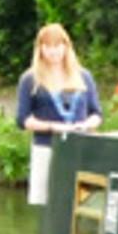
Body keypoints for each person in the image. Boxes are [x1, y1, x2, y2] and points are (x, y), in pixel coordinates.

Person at [15, 23, 103, 205]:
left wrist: (85, 125)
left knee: (82, 201)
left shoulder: (84, 76)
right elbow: (23, 119)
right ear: (40, 49)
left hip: (80, 147)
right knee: (44, 200)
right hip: (46, 147)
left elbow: (97, 114)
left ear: (66, 47)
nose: (53, 52)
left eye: (57, 46)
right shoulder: (30, 79)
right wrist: (53, 127)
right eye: (47, 47)